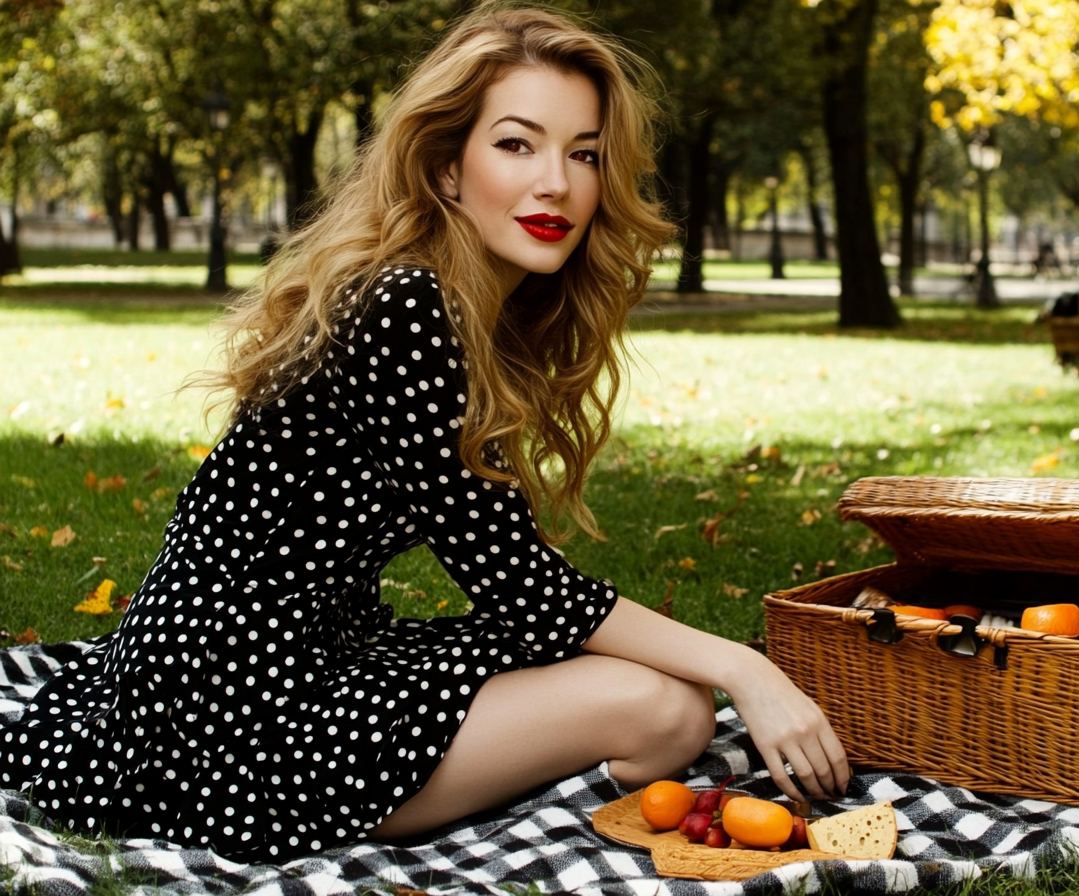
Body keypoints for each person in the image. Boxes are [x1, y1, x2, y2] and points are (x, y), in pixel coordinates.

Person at [0, 5, 848, 863]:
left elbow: (516, 589)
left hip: (293, 650)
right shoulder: (405, 305)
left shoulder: (464, 301)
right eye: (516, 144)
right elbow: (522, 587)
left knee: (662, 692)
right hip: (231, 711)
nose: (556, 181)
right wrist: (749, 669)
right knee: (667, 709)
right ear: (446, 169)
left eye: (584, 153)